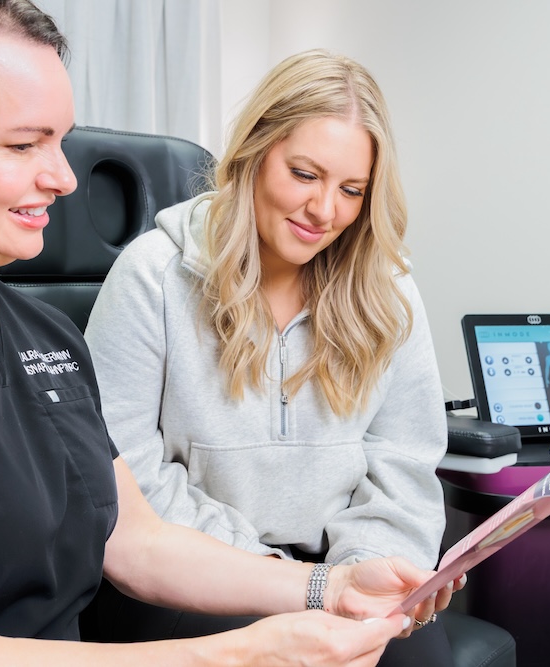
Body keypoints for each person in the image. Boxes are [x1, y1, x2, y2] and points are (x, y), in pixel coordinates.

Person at [0, 1, 459, 665]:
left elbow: (132, 539)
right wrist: (242, 653)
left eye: (61, 141)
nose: (66, 179)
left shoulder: (45, 338)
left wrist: (326, 585)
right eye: (22, 146)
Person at [83, 49, 456, 664]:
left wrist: (355, 580)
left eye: (351, 189)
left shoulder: (389, 295)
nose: (325, 210)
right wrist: (277, 580)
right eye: (305, 174)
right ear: (254, 154)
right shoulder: (153, 276)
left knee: (423, 656)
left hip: (344, 573)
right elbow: (128, 481)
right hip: (194, 576)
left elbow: (404, 470)